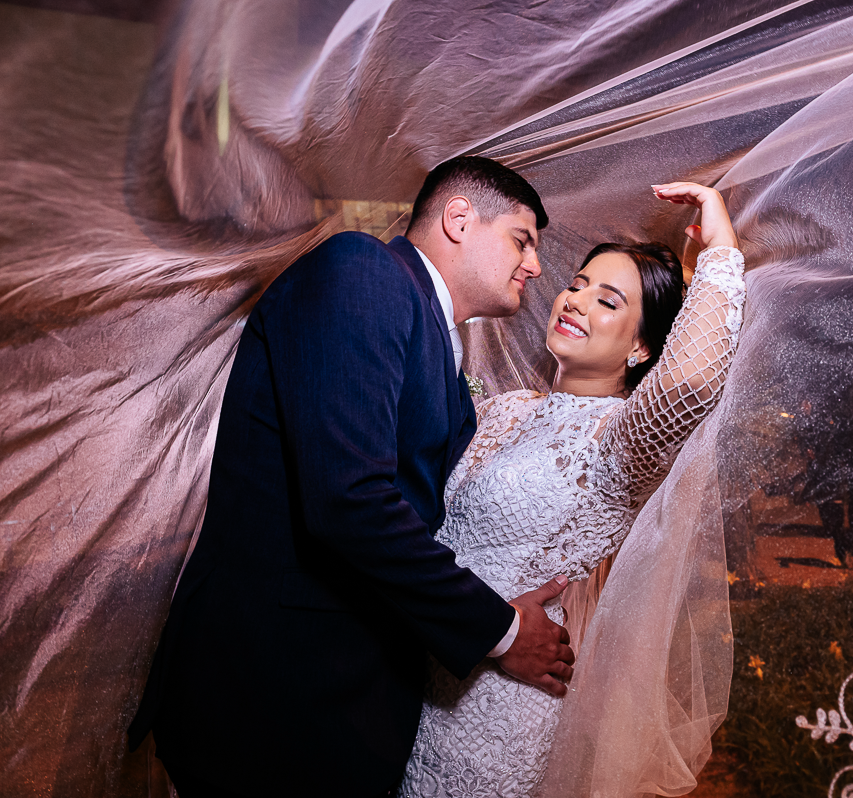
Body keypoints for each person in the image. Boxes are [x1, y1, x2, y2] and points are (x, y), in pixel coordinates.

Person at [128, 157, 576, 798]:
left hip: (340, 704)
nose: (534, 266)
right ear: (458, 218)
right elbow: (350, 500)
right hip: (272, 698)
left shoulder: (436, 345)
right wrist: (500, 632)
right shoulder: (363, 272)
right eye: (522, 239)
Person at [400, 181, 746, 797]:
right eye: (578, 284)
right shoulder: (505, 408)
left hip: (499, 703)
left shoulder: (622, 441)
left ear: (642, 347)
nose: (576, 301)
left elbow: (691, 382)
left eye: (608, 301)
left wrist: (719, 244)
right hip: (417, 673)